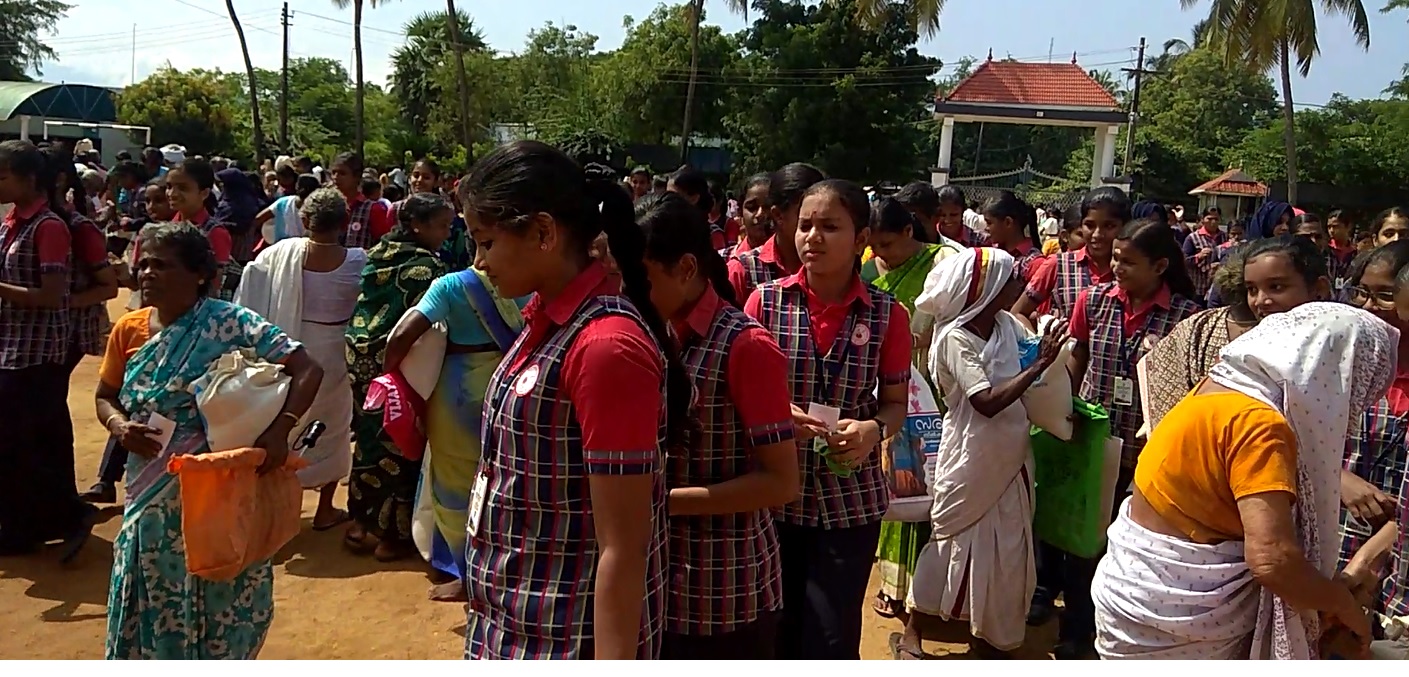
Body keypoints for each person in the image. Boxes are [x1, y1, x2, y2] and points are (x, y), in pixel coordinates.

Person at [459, 141, 678, 659]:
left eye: (486, 242)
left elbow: (623, 550)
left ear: (542, 232)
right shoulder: (543, 322)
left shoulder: (605, 347)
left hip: (562, 640)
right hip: (509, 624)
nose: (479, 262)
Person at [1092, 303, 1393, 659]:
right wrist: (1341, 604)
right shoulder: (1260, 424)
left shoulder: (1217, 389)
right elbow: (1273, 561)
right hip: (1179, 619)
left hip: (1132, 592)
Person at [98, 222, 324, 658]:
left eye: (161, 265)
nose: (146, 273)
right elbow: (105, 396)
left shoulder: (230, 322)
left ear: (199, 274)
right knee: (149, 580)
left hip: (214, 490)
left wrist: (279, 431)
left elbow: (308, 368)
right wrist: (118, 428)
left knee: (219, 582)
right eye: (142, 263)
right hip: (147, 490)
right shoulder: (129, 329)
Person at [744, 179, 911, 659]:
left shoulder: (887, 316)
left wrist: (872, 429)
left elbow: (895, 403)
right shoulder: (765, 304)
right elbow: (740, 394)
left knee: (831, 635)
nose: (812, 237)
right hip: (774, 498)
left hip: (850, 498)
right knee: (773, 627)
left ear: (861, 240)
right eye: (806, 225)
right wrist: (777, 414)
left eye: (830, 227)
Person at [635, 191, 799, 659]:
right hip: (660, 582)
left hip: (726, 591)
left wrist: (660, 502)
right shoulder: (654, 333)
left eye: (642, 278)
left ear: (687, 269)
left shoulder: (745, 347)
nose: (630, 292)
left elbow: (781, 481)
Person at [896, 248, 1070, 659]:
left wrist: (1052, 350)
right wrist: (1039, 365)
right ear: (987, 289)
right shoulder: (955, 338)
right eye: (1010, 280)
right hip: (971, 456)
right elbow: (986, 402)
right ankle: (913, 633)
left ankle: (983, 640)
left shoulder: (1007, 325)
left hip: (1011, 456)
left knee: (1005, 549)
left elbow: (1036, 359)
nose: (1018, 287)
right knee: (949, 545)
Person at [1058, 216, 1201, 658]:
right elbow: (1077, 354)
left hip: (1150, 452)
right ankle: (1076, 634)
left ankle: (1117, 638)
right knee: (1083, 543)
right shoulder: (1094, 301)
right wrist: (1067, 411)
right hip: (1094, 442)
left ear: (1160, 267)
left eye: (1129, 262)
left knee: (1132, 550)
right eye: (1115, 259)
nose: (1117, 267)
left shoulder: (1186, 318)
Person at [382, 194, 529, 603]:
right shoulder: (527, 281)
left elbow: (400, 336)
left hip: (456, 392)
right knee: (505, 481)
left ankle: (467, 575)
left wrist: (396, 377)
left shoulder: (450, 286)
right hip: (510, 388)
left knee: (454, 485)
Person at [235, 187, 365, 532]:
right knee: (332, 428)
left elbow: (249, 294)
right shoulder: (358, 262)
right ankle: (324, 509)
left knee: (280, 423)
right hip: (334, 356)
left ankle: (270, 509)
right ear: (345, 221)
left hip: (286, 352)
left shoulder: (277, 254)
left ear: (304, 220)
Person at [344, 192, 453, 562]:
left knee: (369, 438)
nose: (446, 233)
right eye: (442, 226)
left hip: (360, 358)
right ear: (417, 225)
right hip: (396, 363)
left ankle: (360, 521)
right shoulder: (428, 267)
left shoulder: (378, 254)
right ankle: (392, 534)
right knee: (400, 441)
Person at [0, 140, 92, 559]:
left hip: (36, 352)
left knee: (24, 444)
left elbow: (52, 295)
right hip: (11, 347)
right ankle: (46, 518)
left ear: (29, 179)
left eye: (4, 176)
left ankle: (32, 526)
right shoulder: (12, 222)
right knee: (25, 443)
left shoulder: (48, 227)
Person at [1143, 236, 1328, 429]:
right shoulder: (1222, 341)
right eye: (1252, 289)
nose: (1260, 300)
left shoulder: (1341, 346)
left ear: (1319, 289)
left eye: (1276, 287)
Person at [1337, 241, 1409, 617]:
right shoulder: (1338, 365)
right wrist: (1338, 477)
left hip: (1397, 573)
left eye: (1384, 296)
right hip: (1332, 550)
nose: (1367, 307)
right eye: (1362, 292)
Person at [1014, 187, 1125, 323]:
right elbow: (1018, 313)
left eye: (1109, 226)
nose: (1097, 234)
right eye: (1089, 225)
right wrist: (1037, 343)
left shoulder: (1130, 271)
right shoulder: (1059, 265)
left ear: (1125, 227)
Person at [726, 163, 821, 302]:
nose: (816, 232)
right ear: (778, 215)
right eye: (805, 219)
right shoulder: (742, 271)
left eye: (828, 223)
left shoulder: (829, 267)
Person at [330, 152, 392, 249]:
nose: (335, 177)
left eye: (342, 173)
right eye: (333, 172)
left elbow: (383, 245)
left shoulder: (374, 209)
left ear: (357, 176)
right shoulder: (328, 206)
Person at [982, 190, 1045, 283]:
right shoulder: (991, 251)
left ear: (1008, 222)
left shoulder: (1033, 263)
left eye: (989, 223)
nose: (986, 228)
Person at [1183, 206, 1227, 299]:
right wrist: (1198, 256)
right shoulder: (1192, 238)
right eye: (1210, 219)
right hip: (1198, 289)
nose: (1213, 222)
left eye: (1216, 219)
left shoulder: (1224, 237)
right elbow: (1184, 261)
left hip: (1217, 289)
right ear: (1203, 219)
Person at [731, 173, 774, 258]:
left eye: (767, 207)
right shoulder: (725, 261)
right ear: (740, 212)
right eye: (752, 207)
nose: (760, 214)